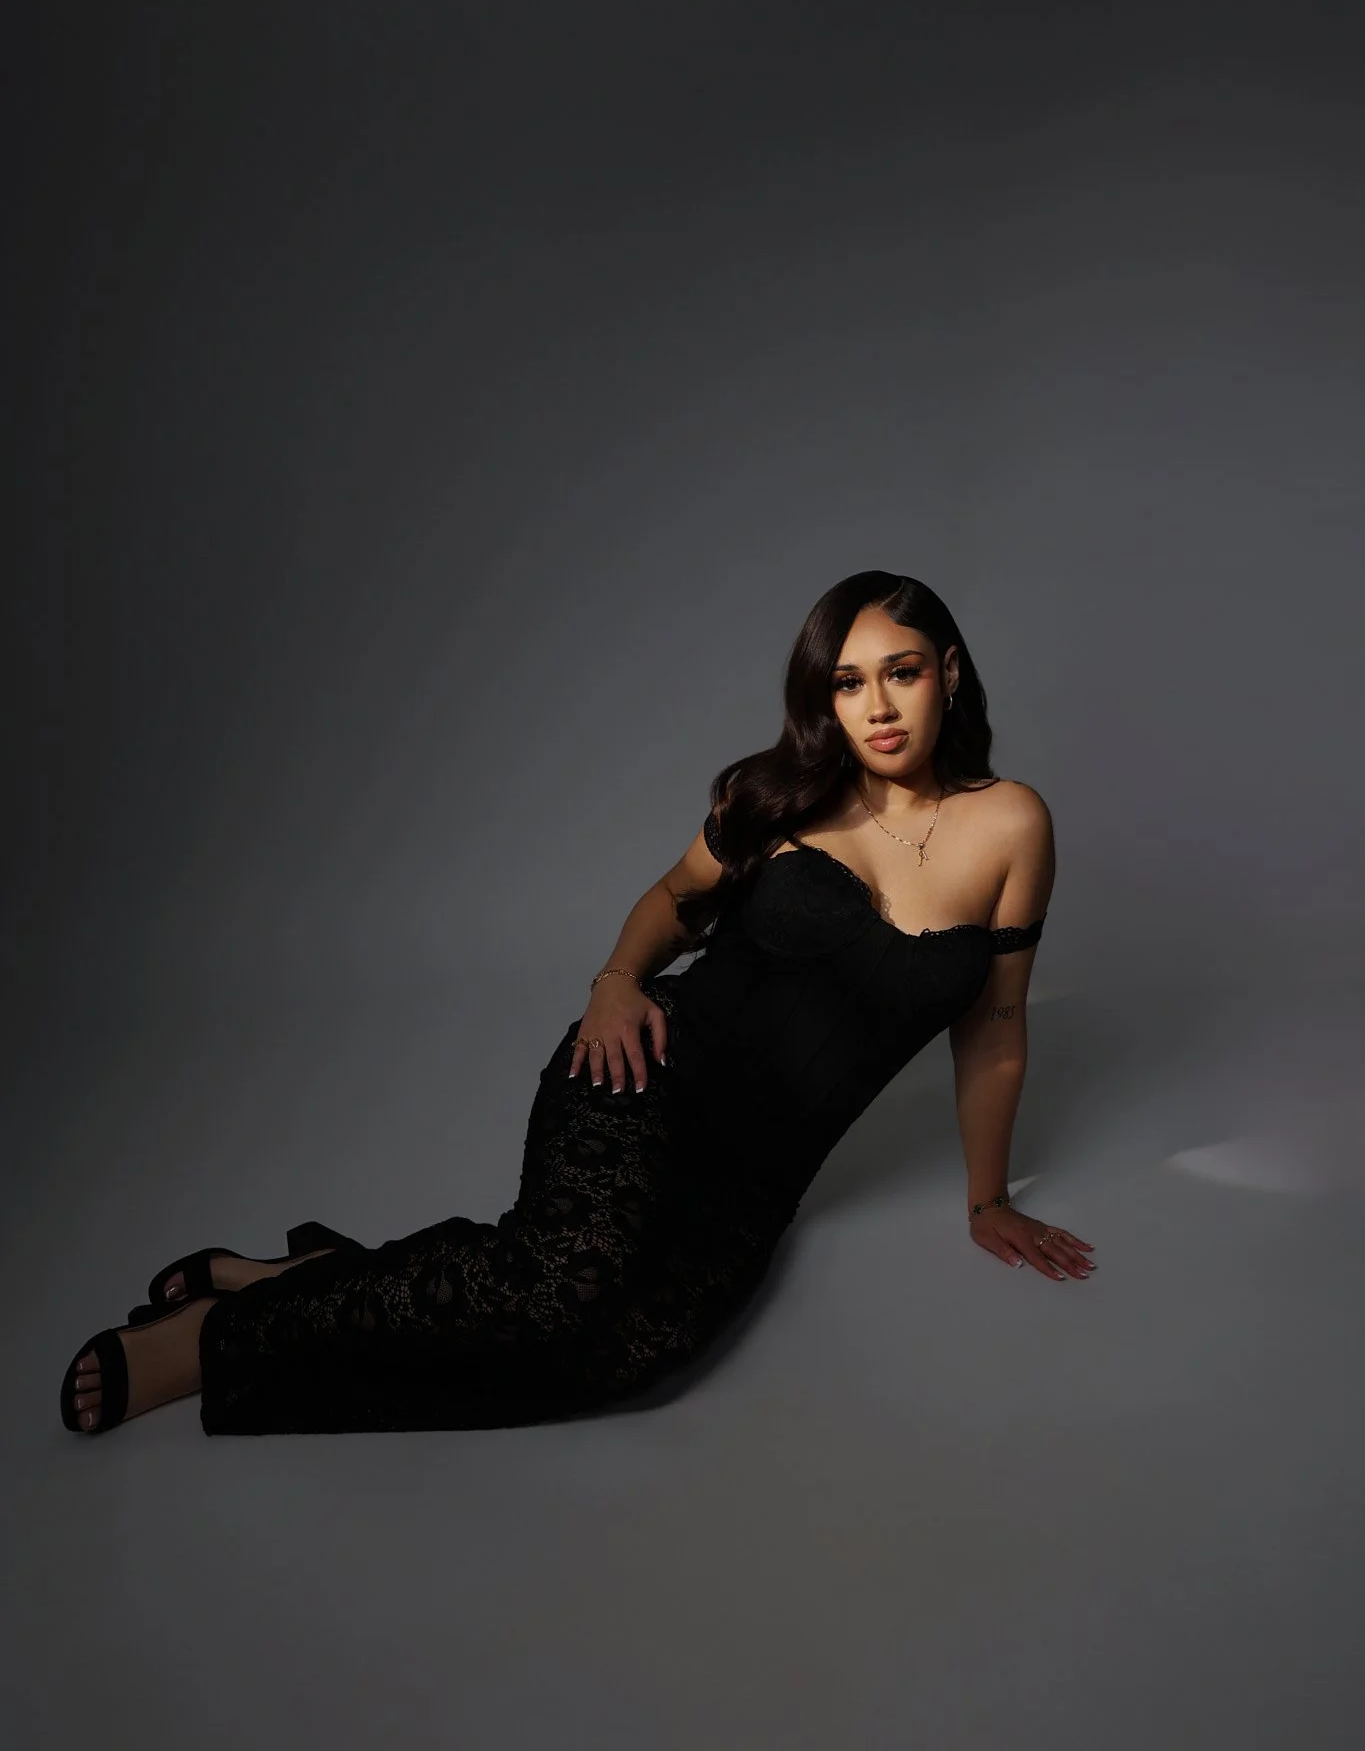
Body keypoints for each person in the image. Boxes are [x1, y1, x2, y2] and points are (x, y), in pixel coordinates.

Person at [60, 569, 1093, 1437]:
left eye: (901, 673)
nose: (876, 706)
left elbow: (994, 1026)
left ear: (947, 673)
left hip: (754, 1181)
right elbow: (674, 901)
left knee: (616, 1363)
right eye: (848, 682)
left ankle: (310, 1273)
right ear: (823, 699)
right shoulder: (777, 795)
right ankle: (209, 1340)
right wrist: (613, 985)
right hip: (643, 1075)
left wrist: (987, 1197)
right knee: (557, 1288)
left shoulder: (1010, 825)